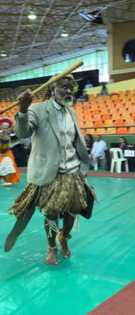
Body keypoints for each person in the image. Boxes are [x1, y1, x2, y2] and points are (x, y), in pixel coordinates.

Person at [6, 75, 95, 265]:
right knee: (52, 214)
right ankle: (51, 246)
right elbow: (23, 134)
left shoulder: (71, 112)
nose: (69, 91)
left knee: (73, 211)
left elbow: (75, 142)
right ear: (53, 89)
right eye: (64, 87)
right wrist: (22, 109)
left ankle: (64, 237)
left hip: (73, 171)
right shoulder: (37, 110)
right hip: (50, 173)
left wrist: (83, 165)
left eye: (71, 87)